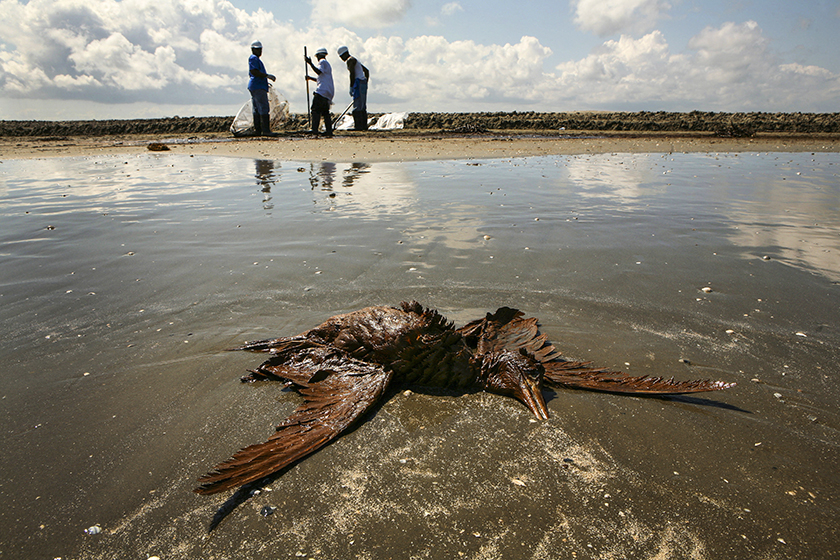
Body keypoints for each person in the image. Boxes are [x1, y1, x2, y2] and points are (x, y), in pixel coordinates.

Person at [248, 40, 278, 137]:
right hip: (258, 86)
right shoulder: (253, 58)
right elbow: (253, 71)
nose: (260, 51)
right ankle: (265, 130)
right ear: (253, 50)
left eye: (260, 49)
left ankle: (258, 130)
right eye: (258, 49)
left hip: (256, 86)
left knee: (257, 108)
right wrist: (267, 76)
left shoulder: (256, 59)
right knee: (263, 107)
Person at [336, 46, 369, 131]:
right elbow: (366, 71)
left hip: (358, 83)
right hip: (362, 82)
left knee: (357, 107)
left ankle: (358, 127)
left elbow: (352, 74)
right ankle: (364, 126)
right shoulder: (355, 60)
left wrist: (351, 86)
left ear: (343, 55)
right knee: (362, 106)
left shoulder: (350, 60)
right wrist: (365, 82)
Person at [305, 47, 335, 137]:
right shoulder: (327, 64)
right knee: (325, 112)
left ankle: (314, 130)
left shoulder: (322, 62)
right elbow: (321, 78)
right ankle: (329, 131)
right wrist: (310, 78)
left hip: (322, 91)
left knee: (315, 110)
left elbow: (318, 72)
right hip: (328, 92)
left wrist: (310, 63)